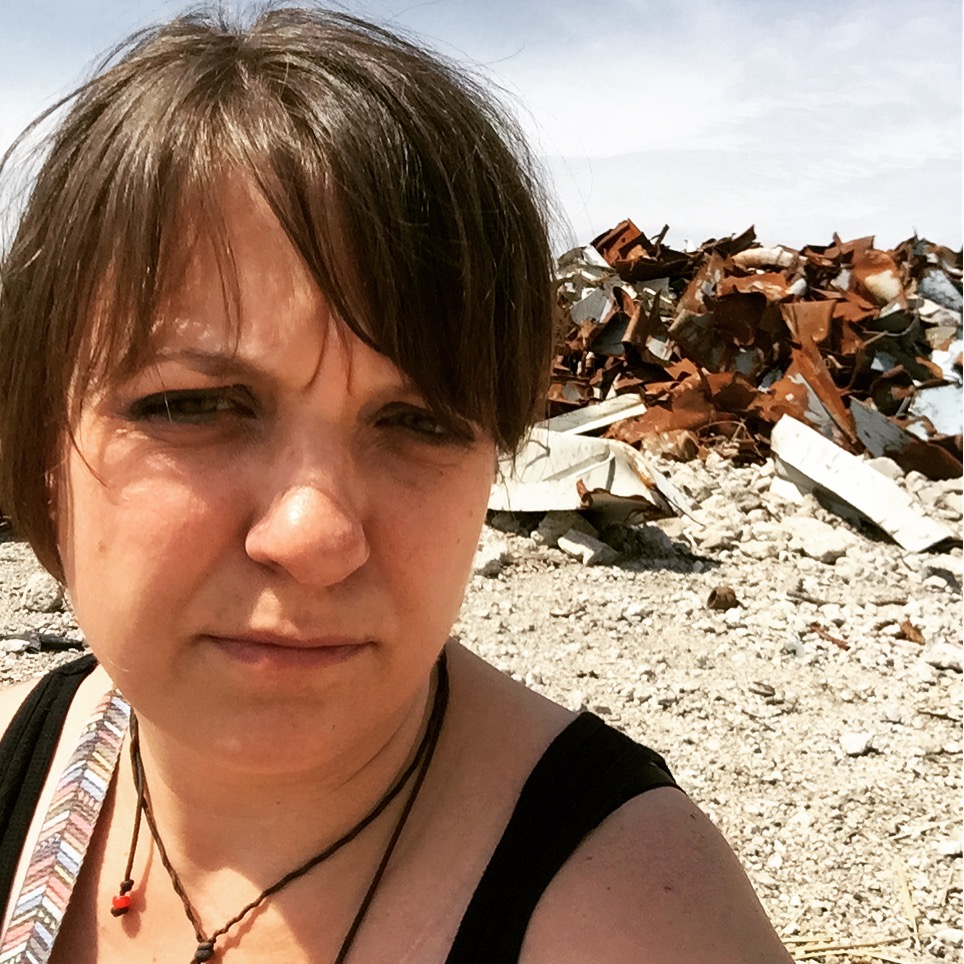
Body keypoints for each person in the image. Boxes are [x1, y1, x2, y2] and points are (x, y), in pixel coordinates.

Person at [0, 7, 793, 962]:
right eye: (194, 405)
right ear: (44, 443)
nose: (315, 534)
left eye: (418, 422)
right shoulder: (23, 759)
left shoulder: (636, 920)